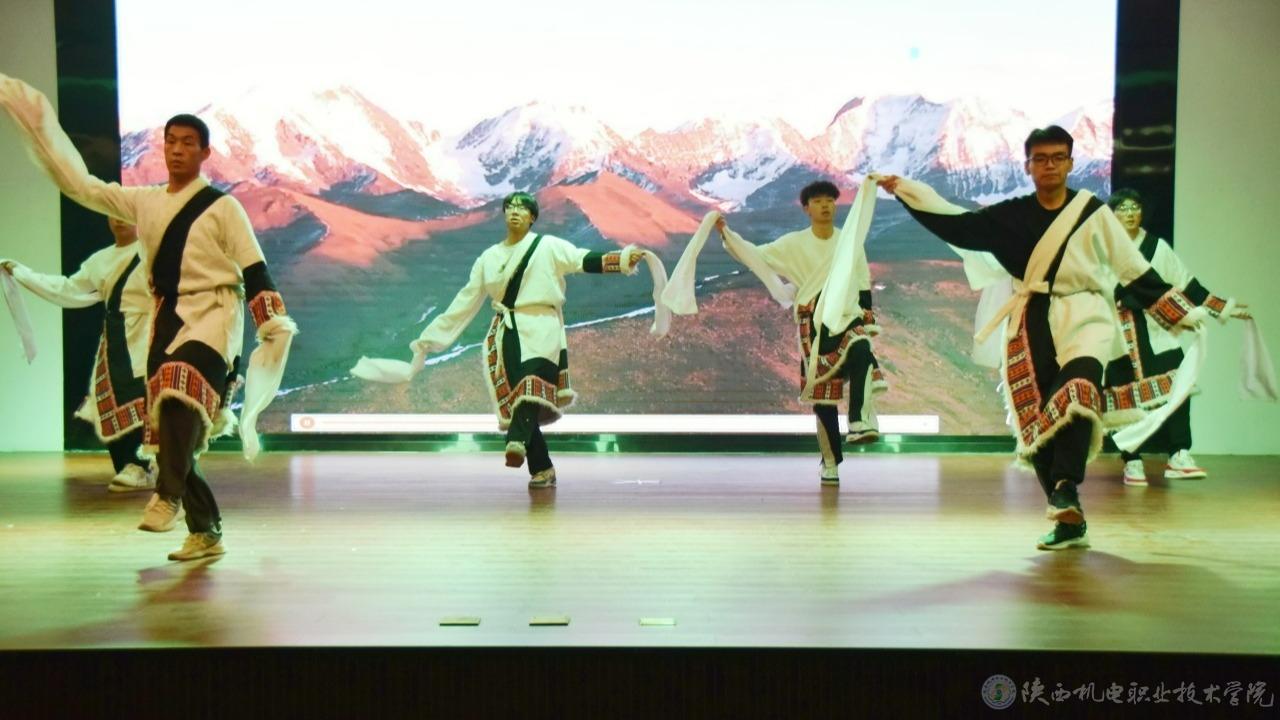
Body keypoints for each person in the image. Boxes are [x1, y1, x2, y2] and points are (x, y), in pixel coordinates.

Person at [878, 125, 1241, 551]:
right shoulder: (1011, 214)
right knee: (1037, 419)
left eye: (1057, 157)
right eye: (1041, 158)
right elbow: (959, 226)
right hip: (1031, 317)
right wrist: (906, 191)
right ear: (1028, 165)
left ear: (1070, 163)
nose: (1049, 165)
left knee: (1080, 389)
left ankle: (1067, 486)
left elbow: (1133, 270)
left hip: (1085, 312)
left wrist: (1182, 312)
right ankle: (1066, 514)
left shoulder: (1092, 212)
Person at [0, 74, 297, 561]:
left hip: (215, 315)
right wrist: (31, 118)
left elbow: (253, 267)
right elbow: (83, 186)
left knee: (180, 391)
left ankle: (168, 496)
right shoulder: (146, 201)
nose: (177, 150)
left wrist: (271, 322)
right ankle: (206, 531)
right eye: (170, 141)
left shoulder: (224, 208)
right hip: (167, 319)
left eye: (188, 143)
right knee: (174, 435)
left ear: (205, 152)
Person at [353, 192, 665, 488]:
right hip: (508, 332)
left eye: (522, 208)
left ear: (532, 217)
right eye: (510, 207)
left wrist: (623, 259)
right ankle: (542, 468)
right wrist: (429, 339)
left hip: (542, 326)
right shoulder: (488, 258)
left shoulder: (549, 246)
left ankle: (514, 440)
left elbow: (581, 259)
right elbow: (465, 302)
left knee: (530, 386)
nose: (515, 212)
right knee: (520, 402)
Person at [714, 180, 887, 485]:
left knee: (861, 346)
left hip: (846, 315)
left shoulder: (849, 242)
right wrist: (727, 234)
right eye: (818, 201)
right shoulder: (793, 244)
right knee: (823, 398)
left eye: (830, 200)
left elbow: (862, 281)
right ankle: (830, 462)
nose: (825, 206)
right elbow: (756, 255)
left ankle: (860, 422)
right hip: (815, 326)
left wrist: (867, 317)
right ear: (807, 209)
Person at [1103, 188, 1250, 485]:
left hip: (1157, 328)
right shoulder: (1103, 250)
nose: (1130, 213)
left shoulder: (1157, 248)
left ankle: (1179, 453)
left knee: (1179, 386)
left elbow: (1186, 284)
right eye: (1123, 208)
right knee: (1125, 396)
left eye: (1135, 207)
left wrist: (1222, 308)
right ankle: (1132, 459)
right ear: (1112, 214)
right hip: (1120, 333)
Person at [2, 217, 154, 492]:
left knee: (147, 400)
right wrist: (22, 273)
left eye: (125, 213)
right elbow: (68, 289)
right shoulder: (100, 260)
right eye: (113, 213)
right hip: (116, 338)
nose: (119, 219)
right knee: (109, 401)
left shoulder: (154, 251)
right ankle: (128, 466)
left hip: (150, 333)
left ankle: (148, 465)